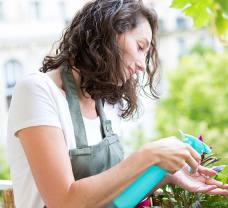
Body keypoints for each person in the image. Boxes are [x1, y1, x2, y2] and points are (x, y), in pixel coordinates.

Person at [6, 0, 228, 207]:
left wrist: (166, 174)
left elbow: (112, 197)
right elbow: (64, 200)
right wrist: (148, 155)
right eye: (140, 47)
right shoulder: (37, 91)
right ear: (110, 34)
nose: (142, 65)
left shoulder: (106, 104)